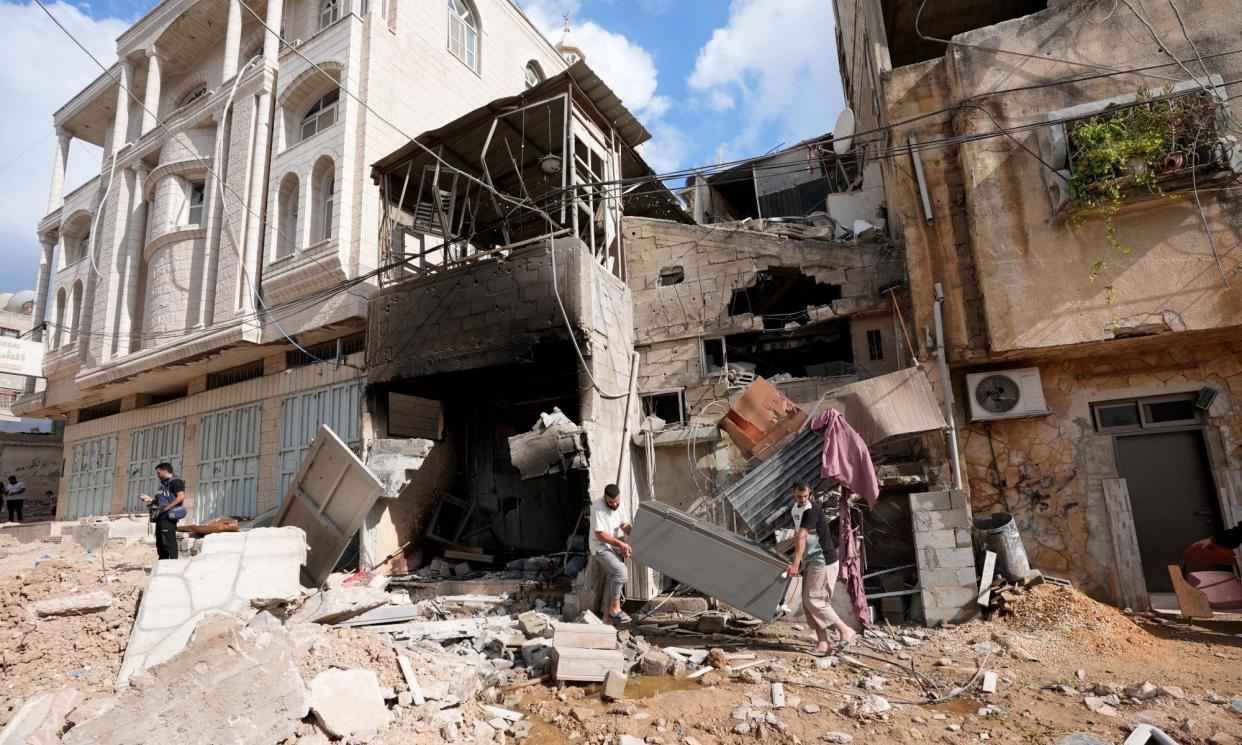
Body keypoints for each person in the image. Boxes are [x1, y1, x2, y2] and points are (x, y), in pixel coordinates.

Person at [786, 481, 856, 655]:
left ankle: (845, 630)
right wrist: (801, 560)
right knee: (809, 603)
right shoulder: (796, 510)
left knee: (815, 600)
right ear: (793, 495)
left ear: (810, 494)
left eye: (805, 496)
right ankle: (823, 644)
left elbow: (802, 536)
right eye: (798, 496)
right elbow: (798, 535)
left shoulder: (812, 509)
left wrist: (795, 564)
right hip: (811, 560)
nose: (802, 499)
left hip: (822, 560)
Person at [590, 483, 633, 625]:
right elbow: (600, 534)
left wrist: (638, 536)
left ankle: (606, 620)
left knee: (612, 579)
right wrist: (620, 544)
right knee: (621, 572)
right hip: (600, 546)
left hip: (612, 546)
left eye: (617, 502)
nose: (614, 505)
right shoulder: (598, 507)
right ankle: (615, 608)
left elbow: (624, 525)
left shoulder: (620, 504)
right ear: (604, 498)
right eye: (611, 502)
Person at [138, 462, 188, 560]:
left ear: (165, 471)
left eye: (158, 473)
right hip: (160, 517)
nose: (158, 475)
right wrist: (150, 499)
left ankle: (173, 564)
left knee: (168, 542)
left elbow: (181, 496)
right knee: (160, 543)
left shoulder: (175, 481)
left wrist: (168, 507)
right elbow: (160, 500)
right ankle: (163, 564)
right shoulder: (163, 485)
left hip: (169, 517)